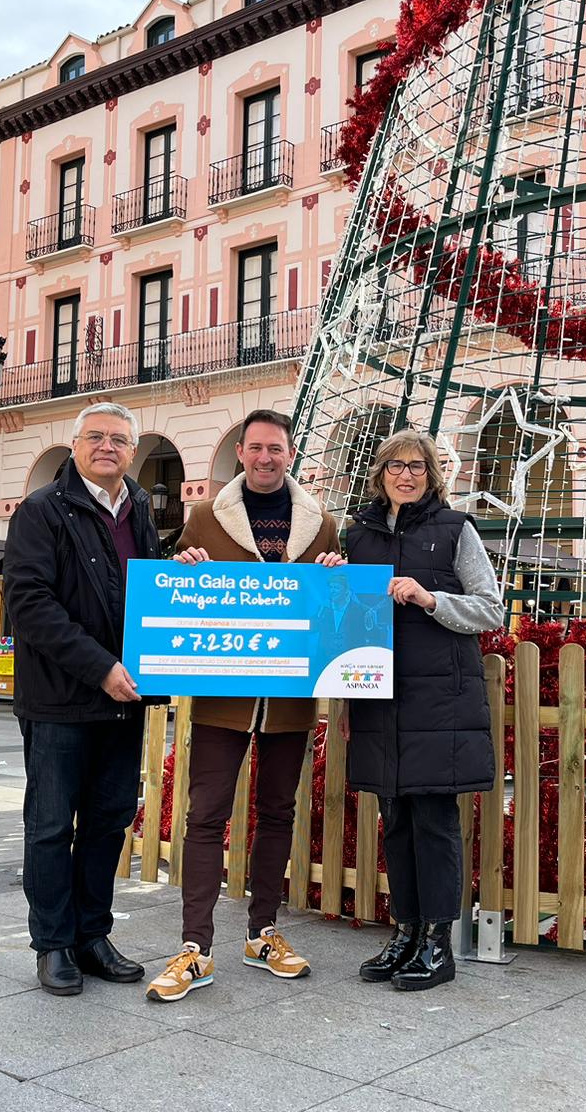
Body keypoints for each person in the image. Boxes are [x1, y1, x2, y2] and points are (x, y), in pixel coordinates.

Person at [146, 409, 344, 1003]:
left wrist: (337, 576)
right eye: (255, 447)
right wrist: (181, 567)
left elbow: (334, 614)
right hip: (221, 698)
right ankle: (195, 947)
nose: (265, 457)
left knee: (277, 812)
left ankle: (263, 934)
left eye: (275, 448)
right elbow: (177, 596)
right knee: (206, 815)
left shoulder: (322, 526)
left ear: (290, 454)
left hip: (289, 699)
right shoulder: (206, 518)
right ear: (241, 454)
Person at [2, 401, 163, 997]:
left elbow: (142, 591)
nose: (107, 447)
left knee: (108, 822)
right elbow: (29, 606)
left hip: (124, 699)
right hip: (59, 700)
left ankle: (92, 935)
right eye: (95, 437)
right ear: (75, 446)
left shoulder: (139, 508)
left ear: (132, 450)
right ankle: (53, 944)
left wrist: (181, 568)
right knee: (49, 827)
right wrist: (101, 668)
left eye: (119, 439)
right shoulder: (42, 510)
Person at [342, 428, 503, 992]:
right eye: (395, 466)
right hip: (379, 696)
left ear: (432, 475)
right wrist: (332, 579)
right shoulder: (356, 535)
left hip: (441, 701)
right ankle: (406, 931)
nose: (405, 475)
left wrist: (431, 599)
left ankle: (437, 941)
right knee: (395, 819)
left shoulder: (455, 531)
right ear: (380, 472)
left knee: (434, 820)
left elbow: (490, 610)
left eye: (417, 467)